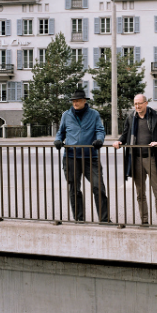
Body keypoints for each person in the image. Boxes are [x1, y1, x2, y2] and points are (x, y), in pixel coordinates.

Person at [113, 94, 157, 225]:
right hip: (136, 159)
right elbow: (125, 134)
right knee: (140, 193)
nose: (137, 106)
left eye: (140, 103)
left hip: (152, 158)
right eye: (135, 104)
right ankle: (144, 220)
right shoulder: (130, 118)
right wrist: (119, 141)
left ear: (146, 103)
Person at [54, 89, 110, 222]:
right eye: (73, 101)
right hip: (71, 157)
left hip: (91, 157)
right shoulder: (66, 115)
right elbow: (61, 132)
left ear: (84, 101)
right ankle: (79, 219)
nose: (75, 103)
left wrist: (99, 140)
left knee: (99, 187)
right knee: (74, 189)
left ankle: (104, 219)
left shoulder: (94, 114)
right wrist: (57, 140)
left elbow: (100, 130)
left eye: (78, 100)